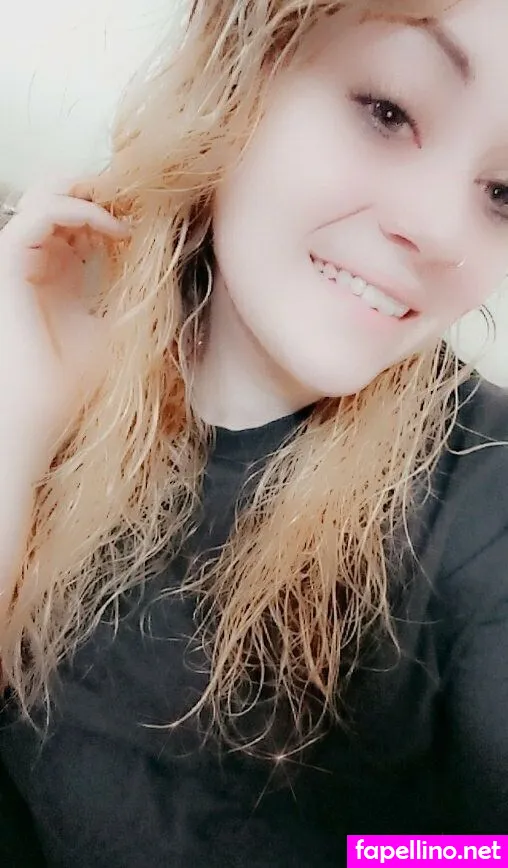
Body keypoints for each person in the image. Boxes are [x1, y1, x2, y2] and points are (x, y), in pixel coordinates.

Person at [0, 0, 507, 864]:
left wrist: (381, 856)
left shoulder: (480, 495)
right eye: (388, 110)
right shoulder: (39, 292)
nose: (438, 232)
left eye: (504, 194)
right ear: (244, 62)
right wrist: (20, 421)